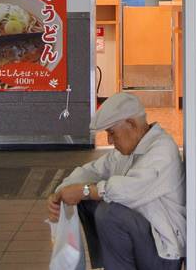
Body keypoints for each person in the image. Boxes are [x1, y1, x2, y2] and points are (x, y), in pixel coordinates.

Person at [47, 92, 185, 269]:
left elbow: (127, 190)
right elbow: (92, 171)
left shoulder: (162, 150)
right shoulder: (127, 151)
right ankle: (108, 265)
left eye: (112, 133)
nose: (110, 140)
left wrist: (86, 190)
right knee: (87, 201)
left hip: (163, 253)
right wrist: (61, 192)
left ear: (131, 124)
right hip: (145, 240)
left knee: (109, 212)